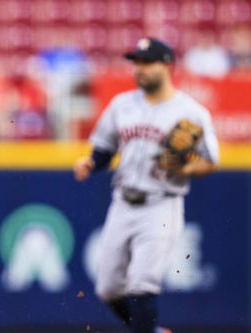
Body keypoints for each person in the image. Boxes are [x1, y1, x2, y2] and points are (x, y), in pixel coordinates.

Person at [73, 37, 219, 333]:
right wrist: (91, 163)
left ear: (167, 65)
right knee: (108, 288)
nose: (139, 69)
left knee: (142, 284)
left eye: (146, 62)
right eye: (136, 63)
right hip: (123, 202)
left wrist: (186, 165)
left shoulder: (191, 112)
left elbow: (210, 161)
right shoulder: (122, 105)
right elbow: (104, 149)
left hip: (161, 204)